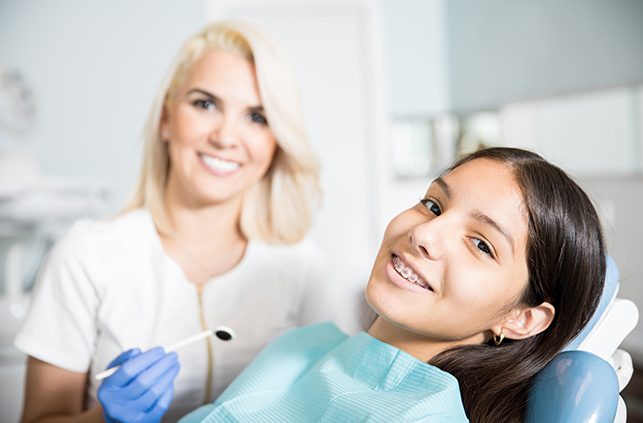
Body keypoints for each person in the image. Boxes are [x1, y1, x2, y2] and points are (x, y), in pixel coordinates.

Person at [15, 21, 336, 422]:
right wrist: (105, 419)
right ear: (166, 117)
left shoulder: (300, 264)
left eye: (257, 116)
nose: (225, 136)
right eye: (205, 104)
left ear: (276, 142)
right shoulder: (86, 257)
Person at [180, 147, 606, 422]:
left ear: (522, 318)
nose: (424, 234)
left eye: (480, 244)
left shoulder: (423, 417)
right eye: (433, 205)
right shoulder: (301, 347)